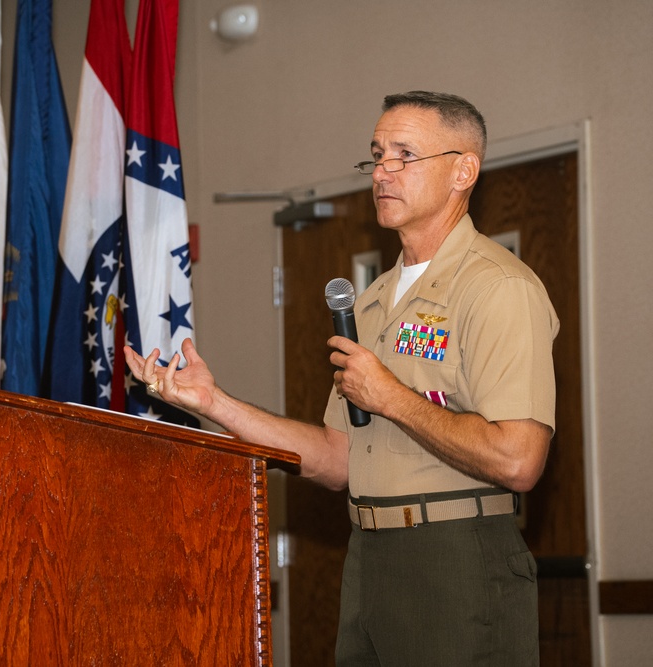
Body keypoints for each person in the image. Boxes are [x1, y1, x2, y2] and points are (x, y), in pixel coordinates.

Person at [125, 90, 559, 666]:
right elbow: (336, 459)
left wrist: (391, 398)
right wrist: (214, 403)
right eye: (377, 155)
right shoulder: (373, 301)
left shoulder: (498, 288)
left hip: (457, 556)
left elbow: (519, 460)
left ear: (463, 170)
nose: (382, 171)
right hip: (370, 556)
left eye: (404, 155)